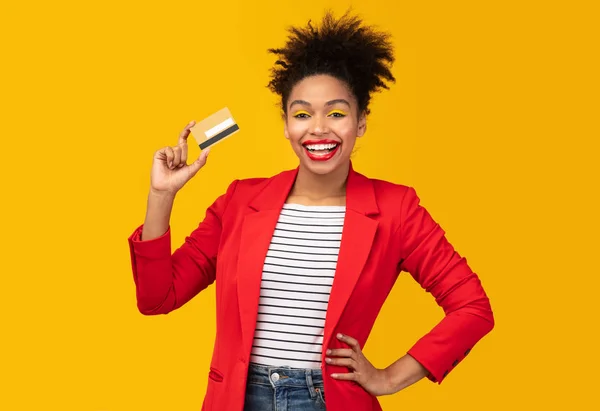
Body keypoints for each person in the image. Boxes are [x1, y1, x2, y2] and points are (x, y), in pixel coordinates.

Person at [127, 10, 494, 411]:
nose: (318, 128)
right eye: (302, 114)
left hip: (329, 400)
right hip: (236, 399)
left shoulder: (396, 209)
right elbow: (157, 297)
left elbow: (472, 307)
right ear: (286, 124)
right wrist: (161, 196)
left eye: (336, 113)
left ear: (361, 122)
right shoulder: (239, 201)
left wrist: (390, 377)